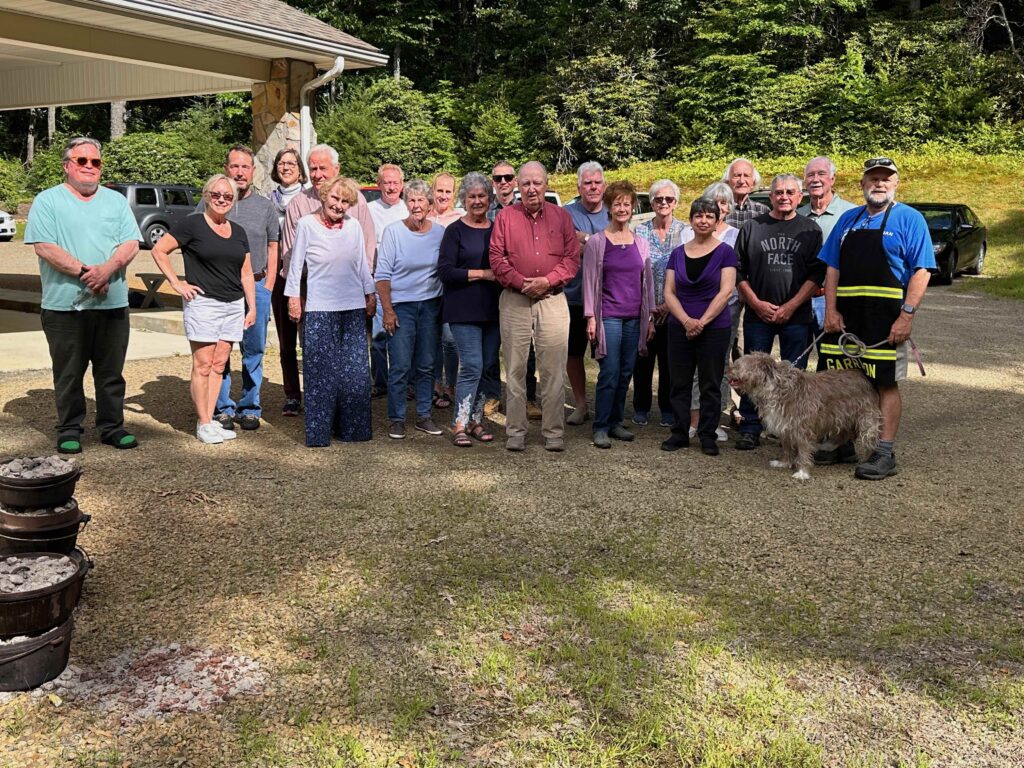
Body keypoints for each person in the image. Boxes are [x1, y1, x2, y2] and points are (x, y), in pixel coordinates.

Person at [817, 157, 935, 480]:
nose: (879, 184)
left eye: (886, 178)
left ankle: (884, 452)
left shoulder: (910, 220)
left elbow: (922, 270)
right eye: (873, 179)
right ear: (862, 184)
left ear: (896, 184)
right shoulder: (847, 221)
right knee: (841, 383)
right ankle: (842, 441)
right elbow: (832, 268)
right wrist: (830, 310)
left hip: (885, 323)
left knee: (885, 383)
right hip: (845, 322)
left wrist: (906, 316)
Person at [25, 136, 142, 454]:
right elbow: (44, 246)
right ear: (67, 166)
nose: (90, 166)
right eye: (82, 161)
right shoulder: (48, 201)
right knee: (68, 372)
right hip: (64, 306)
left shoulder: (116, 201)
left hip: (112, 303)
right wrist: (87, 273)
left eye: (96, 162)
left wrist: (109, 268)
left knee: (111, 372)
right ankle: (69, 429)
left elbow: (131, 242)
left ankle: (112, 427)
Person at [151, 175, 256, 444]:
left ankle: (211, 421)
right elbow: (159, 250)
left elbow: (245, 274)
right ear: (207, 195)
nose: (222, 199)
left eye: (228, 196)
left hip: (233, 303)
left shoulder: (238, 231)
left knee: (220, 363)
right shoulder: (193, 224)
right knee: (203, 364)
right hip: (204, 303)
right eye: (216, 194)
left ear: (234, 200)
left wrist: (251, 306)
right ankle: (203, 422)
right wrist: (177, 283)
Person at [279, 144, 375, 416]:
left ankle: (348, 412)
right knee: (317, 357)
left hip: (351, 296)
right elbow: (291, 257)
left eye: (323, 168)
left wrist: (367, 292)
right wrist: (297, 296)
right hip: (313, 294)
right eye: (312, 168)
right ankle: (321, 411)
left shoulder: (357, 203)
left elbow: (366, 250)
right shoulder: (299, 205)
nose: (317, 173)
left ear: (337, 169)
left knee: (351, 357)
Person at [489, 161, 579, 452]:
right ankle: (515, 431)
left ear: (546, 184)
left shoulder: (561, 217)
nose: (531, 189)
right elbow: (496, 257)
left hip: (552, 299)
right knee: (514, 368)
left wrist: (547, 281)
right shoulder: (505, 217)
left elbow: (571, 258)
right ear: (518, 185)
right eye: (525, 183)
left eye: (537, 183)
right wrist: (521, 282)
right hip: (515, 299)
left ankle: (553, 433)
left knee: (552, 370)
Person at [734, 173, 824, 451]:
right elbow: (738, 271)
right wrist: (756, 303)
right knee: (752, 374)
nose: (784, 197)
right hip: (757, 315)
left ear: (800, 197)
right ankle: (751, 425)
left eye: (790, 192)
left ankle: (790, 429)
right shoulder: (752, 227)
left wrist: (791, 306)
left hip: (796, 316)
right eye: (779, 192)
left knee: (794, 376)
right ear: (770, 196)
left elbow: (816, 275)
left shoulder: (810, 230)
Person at [197, 145, 280, 432]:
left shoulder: (265, 206)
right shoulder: (212, 201)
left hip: (255, 285)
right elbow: (192, 238)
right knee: (221, 350)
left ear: (253, 171)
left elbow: (273, 244)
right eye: (235, 166)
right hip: (219, 289)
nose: (240, 172)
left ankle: (249, 407)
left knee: (253, 350)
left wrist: (267, 286)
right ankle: (222, 408)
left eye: (245, 167)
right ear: (226, 168)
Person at [581, 181, 655, 449]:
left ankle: (615, 422)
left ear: (633, 207)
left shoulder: (641, 244)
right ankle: (600, 425)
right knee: (609, 372)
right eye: (617, 204)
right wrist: (591, 317)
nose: (622, 209)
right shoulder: (597, 243)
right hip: (608, 317)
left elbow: (647, 283)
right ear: (609, 209)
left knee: (625, 372)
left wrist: (649, 318)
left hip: (635, 317)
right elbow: (589, 282)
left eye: (627, 204)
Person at [661, 198, 738, 456]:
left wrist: (702, 322)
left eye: (709, 216)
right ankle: (680, 432)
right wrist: (686, 321)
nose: (703, 220)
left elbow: (726, 291)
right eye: (698, 216)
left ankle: (707, 434)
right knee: (679, 382)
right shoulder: (677, 253)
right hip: (679, 327)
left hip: (714, 328)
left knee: (711, 383)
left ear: (717, 221)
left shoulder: (726, 252)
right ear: (691, 220)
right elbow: (669, 292)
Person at [375, 179, 446, 440]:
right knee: (401, 365)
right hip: (401, 307)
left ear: (430, 205)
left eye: (421, 200)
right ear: (407, 204)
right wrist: (388, 310)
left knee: (427, 364)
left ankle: (424, 416)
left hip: (430, 306)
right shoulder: (393, 231)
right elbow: (382, 275)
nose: (416, 205)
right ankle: (397, 418)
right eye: (412, 200)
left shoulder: (440, 233)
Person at [437, 172, 501, 447]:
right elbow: (446, 271)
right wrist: (483, 274)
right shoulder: (455, 231)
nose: (477, 201)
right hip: (463, 309)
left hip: (493, 310)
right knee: (471, 365)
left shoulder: (498, 228)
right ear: (464, 199)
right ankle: (459, 422)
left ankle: (476, 420)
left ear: (490, 198)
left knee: (487, 366)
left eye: (482, 196)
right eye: (472, 196)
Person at [682, 181, 741, 442]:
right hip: (691, 312)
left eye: (723, 202)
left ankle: (714, 421)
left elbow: (733, 282)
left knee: (718, 368)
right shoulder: (687, 235)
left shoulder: (737, 236)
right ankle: (694, 420)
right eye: (713, 201)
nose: (718, 206)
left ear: (727, 209)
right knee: (694, 369)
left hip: (725, 312)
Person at [486, 160, 538, 419]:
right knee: (493, 343)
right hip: (491, 287)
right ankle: (494, 394)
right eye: (498, 178)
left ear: (515, 181)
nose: (504, 182)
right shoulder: (485, 211)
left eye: (508, 177)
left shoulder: (525, 209)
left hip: (521, 287)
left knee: (525, 345)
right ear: (492, 182)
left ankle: (528, 398)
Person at [631, 179, 685, 429]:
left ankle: (667, 408)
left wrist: (668, 305)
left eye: (669, 199)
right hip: (645, 307)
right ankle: (640, 407)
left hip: (676, 308)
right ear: (651, 202)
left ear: (676, 202)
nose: (664, 203)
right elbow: (634, 272)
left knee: (670, 362)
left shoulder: (686, 231)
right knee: (643, 359)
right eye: (658, 199)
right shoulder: (639, 231)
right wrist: (650, 306)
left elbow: (689, 271)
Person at [562, 161, 608, 425]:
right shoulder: (566, 213)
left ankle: (605, 406)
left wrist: (586, 240)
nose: (593, 187)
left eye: (597, 182)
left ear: (604, 185)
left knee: (605, 354)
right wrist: (598, 243)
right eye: (587, 183)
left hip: (607, 298)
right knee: (573, 353)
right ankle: (581, 404)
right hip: (573, 296)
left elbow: (617, 249)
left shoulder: (614, 213)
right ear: (579, 186)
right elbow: (567, 247)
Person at [798, 156, 857, 334]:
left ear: (832, 179)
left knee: (832, 357)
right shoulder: (797, 215)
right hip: (800, 300)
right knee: (795, 359)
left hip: (834, 299)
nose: (815, 179)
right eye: (810, 175)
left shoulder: (852, 214)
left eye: (821, 174)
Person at [366, 164, 409, 399]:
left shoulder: (408, 209)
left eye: (395, 182)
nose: (391, 187)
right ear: (379, 184)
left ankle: (406, 383)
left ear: (401, 185)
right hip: (378, 279)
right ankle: (380, 382)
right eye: (386, 183)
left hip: (405, 282)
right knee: (379, 336)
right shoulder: (370, 209)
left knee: (405, 335)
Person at [428, 172, 463, 409]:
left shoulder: (460, 218)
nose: (443, 195)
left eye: (447, 191)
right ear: (433, 191)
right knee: (431, 339)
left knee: (450, 339)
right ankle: (434, 383)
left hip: (452, 287)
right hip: (428, 287)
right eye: (439, 190)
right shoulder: (423, 215)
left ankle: (450, 383)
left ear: (454, 194)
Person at [722, 158, 770, 227]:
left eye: (746, 175)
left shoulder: (762, 211)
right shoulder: (720, 210)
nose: (741, 181)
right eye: (737, 175)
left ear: (753, 182)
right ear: (727, 181)